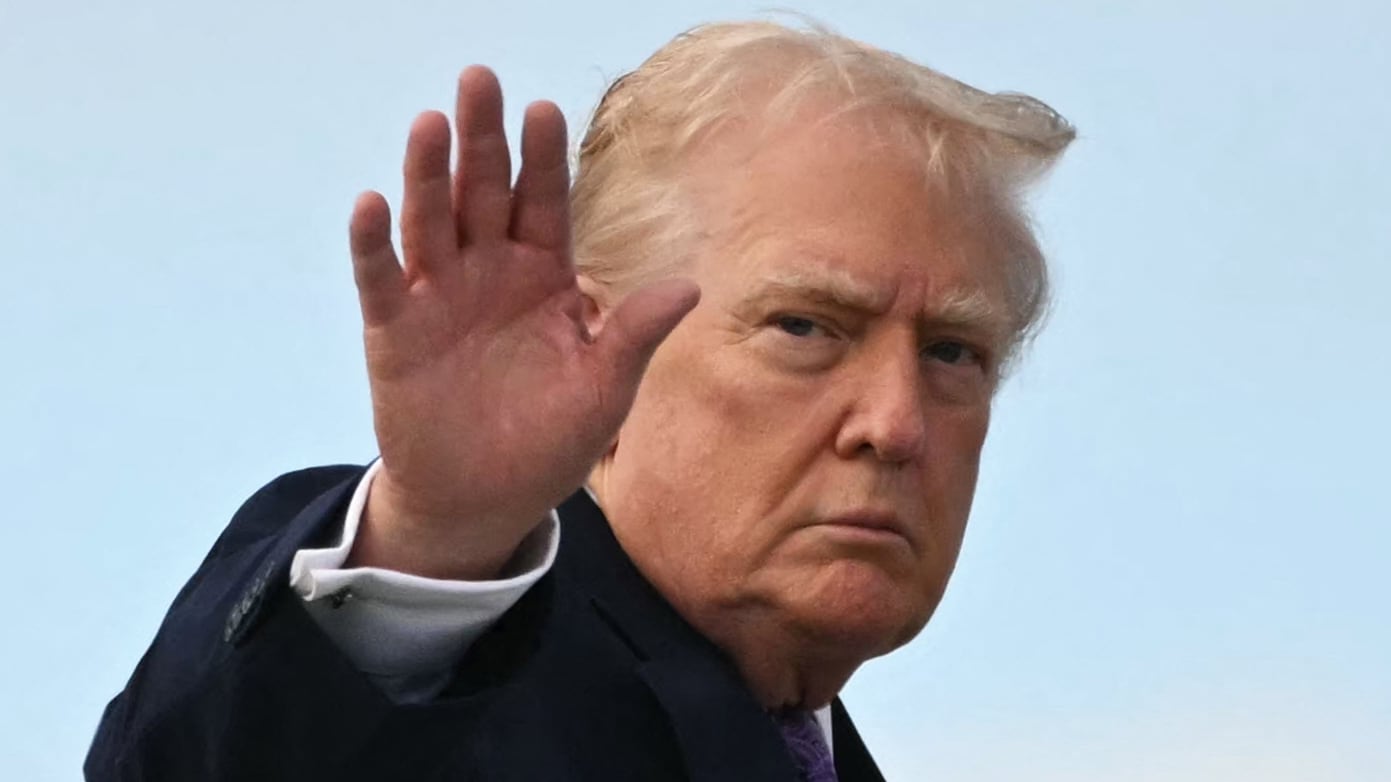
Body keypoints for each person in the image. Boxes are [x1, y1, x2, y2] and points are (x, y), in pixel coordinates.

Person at [86, 20, 1073, 782]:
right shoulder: (469, 676)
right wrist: (432, 535)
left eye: (952, 350)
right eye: (805, 326)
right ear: (592, 349)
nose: (894, 424)